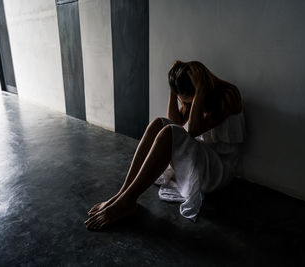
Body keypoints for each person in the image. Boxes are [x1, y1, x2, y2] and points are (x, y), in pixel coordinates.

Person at [85, 61, 246, 230]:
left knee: (169, 132)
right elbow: (175, 121)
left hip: (218, 170)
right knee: (159, 123)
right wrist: (172, 88)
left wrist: (200, 90)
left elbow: (193, 130)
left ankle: (127, 201)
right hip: (203, 159)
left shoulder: (229, 95)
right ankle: (122, 195)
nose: (184, 102)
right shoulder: (195, 94)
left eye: (186, 98)